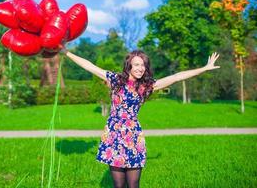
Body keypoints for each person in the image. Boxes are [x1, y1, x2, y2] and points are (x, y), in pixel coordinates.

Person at [62, 48, 220, 188]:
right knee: (118, 184)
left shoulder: (147, 86)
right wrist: (66, 52)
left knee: (133, 184)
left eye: (143, 65)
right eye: (137, 64)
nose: (140, 68)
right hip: (113, 135)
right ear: (129, 65)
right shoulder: (115, 80)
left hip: (133, 136)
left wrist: (205, 68)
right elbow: (90, 66)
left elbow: (177, 77)